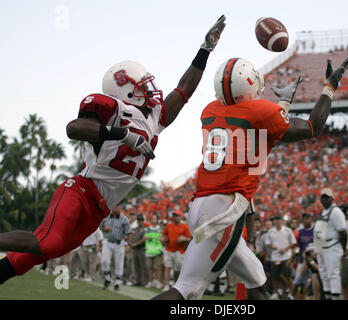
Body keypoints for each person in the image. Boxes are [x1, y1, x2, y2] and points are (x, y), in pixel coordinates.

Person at [0, 15, 227, 285]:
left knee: (44, 251)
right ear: (126, 89)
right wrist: (123, 134)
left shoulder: (156, 117)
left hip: (100, 209)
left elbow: (184, 89)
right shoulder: (113, 109)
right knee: (49, 242)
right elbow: (74, 129)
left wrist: (205, 49)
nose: (149, 87)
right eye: (141, 83)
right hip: (81, 191)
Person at [153, 55, 348, 300]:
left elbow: (261, 135)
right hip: (223, 211)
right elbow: (312, 127)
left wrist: (283, 103)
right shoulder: (260, 111)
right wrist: (329, 87)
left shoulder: (211, 110)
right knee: (186, 289)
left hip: (201, 205)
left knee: (257, 281)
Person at [314, 188, 348, 300]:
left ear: (332, 198)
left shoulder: (336, 211)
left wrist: (344, 248)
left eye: (326, 197)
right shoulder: (324, 211)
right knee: (324, 274)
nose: (324, 200)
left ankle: (335, 296)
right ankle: (328, 295)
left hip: (332, 245)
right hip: (322, 246)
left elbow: (343, 232)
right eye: (322, 197)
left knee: (333, 273)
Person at [100, 205, 132, 291]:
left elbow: (129, 232)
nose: (115, 209)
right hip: (108, 241)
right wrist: (104, 229)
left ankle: (117, 282)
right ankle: (107, 278)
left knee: (119, 263)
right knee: (104, 261)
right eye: (114, 207)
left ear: (121, 208)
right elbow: (100, 227)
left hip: (119, 243)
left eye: (118, 207)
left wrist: (128, 244)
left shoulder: (124, 219)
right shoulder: (106, 216)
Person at [266, 215, 297, 300]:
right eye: (275, 220)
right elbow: (268, 243)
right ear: (274, 221)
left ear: (281, 221)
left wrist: (285, 248)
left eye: (278, 219)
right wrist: (273, 247)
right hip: (275, 257)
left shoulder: (287, 230)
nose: (277, 221)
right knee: (275, 276)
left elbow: (293, 243)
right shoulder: (270, 232)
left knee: (287, 275)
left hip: (286, 257)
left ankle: (291, 292)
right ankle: (276, 293)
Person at [160, 210, 192, 291]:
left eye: (177, 215)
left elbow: (189, 238)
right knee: (167, 267)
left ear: (181, 217)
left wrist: (183, 239)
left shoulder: (184, 226)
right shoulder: (169, 226)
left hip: (179, 250)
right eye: (174, 215)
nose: (175, 217)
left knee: (177, 269)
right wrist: (162, 239)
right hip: (169, 249)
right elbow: (163, 235)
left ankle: (175, 284)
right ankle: (166, 285)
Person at [292, 212, 314, 300]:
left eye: (308, 218)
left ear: (311, 219)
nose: (306, 220)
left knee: (314, 279)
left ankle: (312, 296)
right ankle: (291, 296)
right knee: (298, 280)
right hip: (302, 260)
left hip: (314, 259)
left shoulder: (315, 230)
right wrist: (296, 257)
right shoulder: (300, 232)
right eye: (304, 218)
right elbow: (299, 247)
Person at [145, 214, 164, 289]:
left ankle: (158, 282)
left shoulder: (160, 229)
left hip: (157, 251)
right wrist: (146, 237)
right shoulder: (147, 229)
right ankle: (150, 282)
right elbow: (144, 237)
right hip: (149, 251)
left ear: (157, 220)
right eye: (152, 219)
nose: (153, 220)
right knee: (150, 268)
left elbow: (162, 238)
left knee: (158, 268)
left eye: (155, 219)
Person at [130, 214, 148, 286]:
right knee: (136, 266)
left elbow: (144, 239)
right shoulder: (134, 229)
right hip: (135, 249)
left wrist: (135, 244)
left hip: (141, 249)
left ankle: (144, 281)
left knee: (143, 266)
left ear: (143, 221)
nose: (140, 222)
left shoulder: (145, 229)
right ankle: (138, 280)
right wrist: (131, 243)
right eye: (139, 220)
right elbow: (131, 238)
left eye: (141, 220)